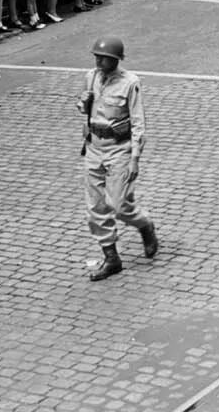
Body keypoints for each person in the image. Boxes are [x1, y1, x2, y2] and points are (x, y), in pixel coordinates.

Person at [76, 36, 158, 281]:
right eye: (97, 57)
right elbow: (86, 108)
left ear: (116, 60)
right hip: (94, 147)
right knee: (96, 208)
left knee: (119, 205)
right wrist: (82, 104)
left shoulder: (130, 83)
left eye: (104, 58)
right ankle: (112, 258)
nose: (99, 62)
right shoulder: (91, 77)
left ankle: (145, 225)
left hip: (119, 150)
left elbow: (138, 123)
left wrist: (135, 158)